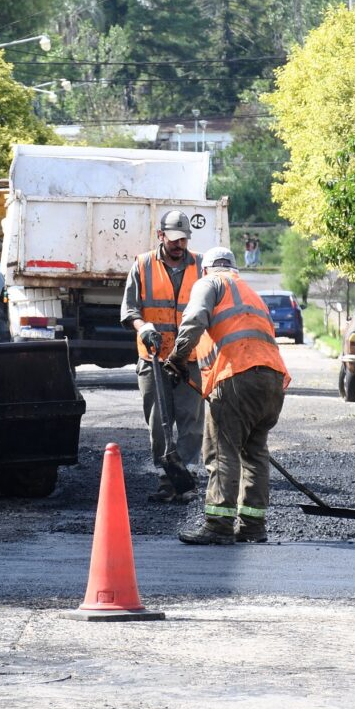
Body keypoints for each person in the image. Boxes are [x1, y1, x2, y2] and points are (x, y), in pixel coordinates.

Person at [167, 246, 291, 545]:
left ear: (206, 268)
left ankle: (219, 524)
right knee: (255, 453)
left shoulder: (209, 283)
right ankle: (253, 526)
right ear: (234, 266)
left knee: (221, 450)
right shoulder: (250, 292)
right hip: (273, 380)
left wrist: (177, 357)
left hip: (238, 376)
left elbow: (195, 319)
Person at [120, 210, 206, 503]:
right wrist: (143, 328)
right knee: (159, 422)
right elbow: (129, 309)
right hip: (153, 358)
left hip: (189, 357)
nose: (179, 245)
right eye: (173, 239)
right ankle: (167, 477)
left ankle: (188, 477)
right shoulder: (142, 265)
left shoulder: (201, 266)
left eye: (183, 239)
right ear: (161, 236)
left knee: (191, 420)